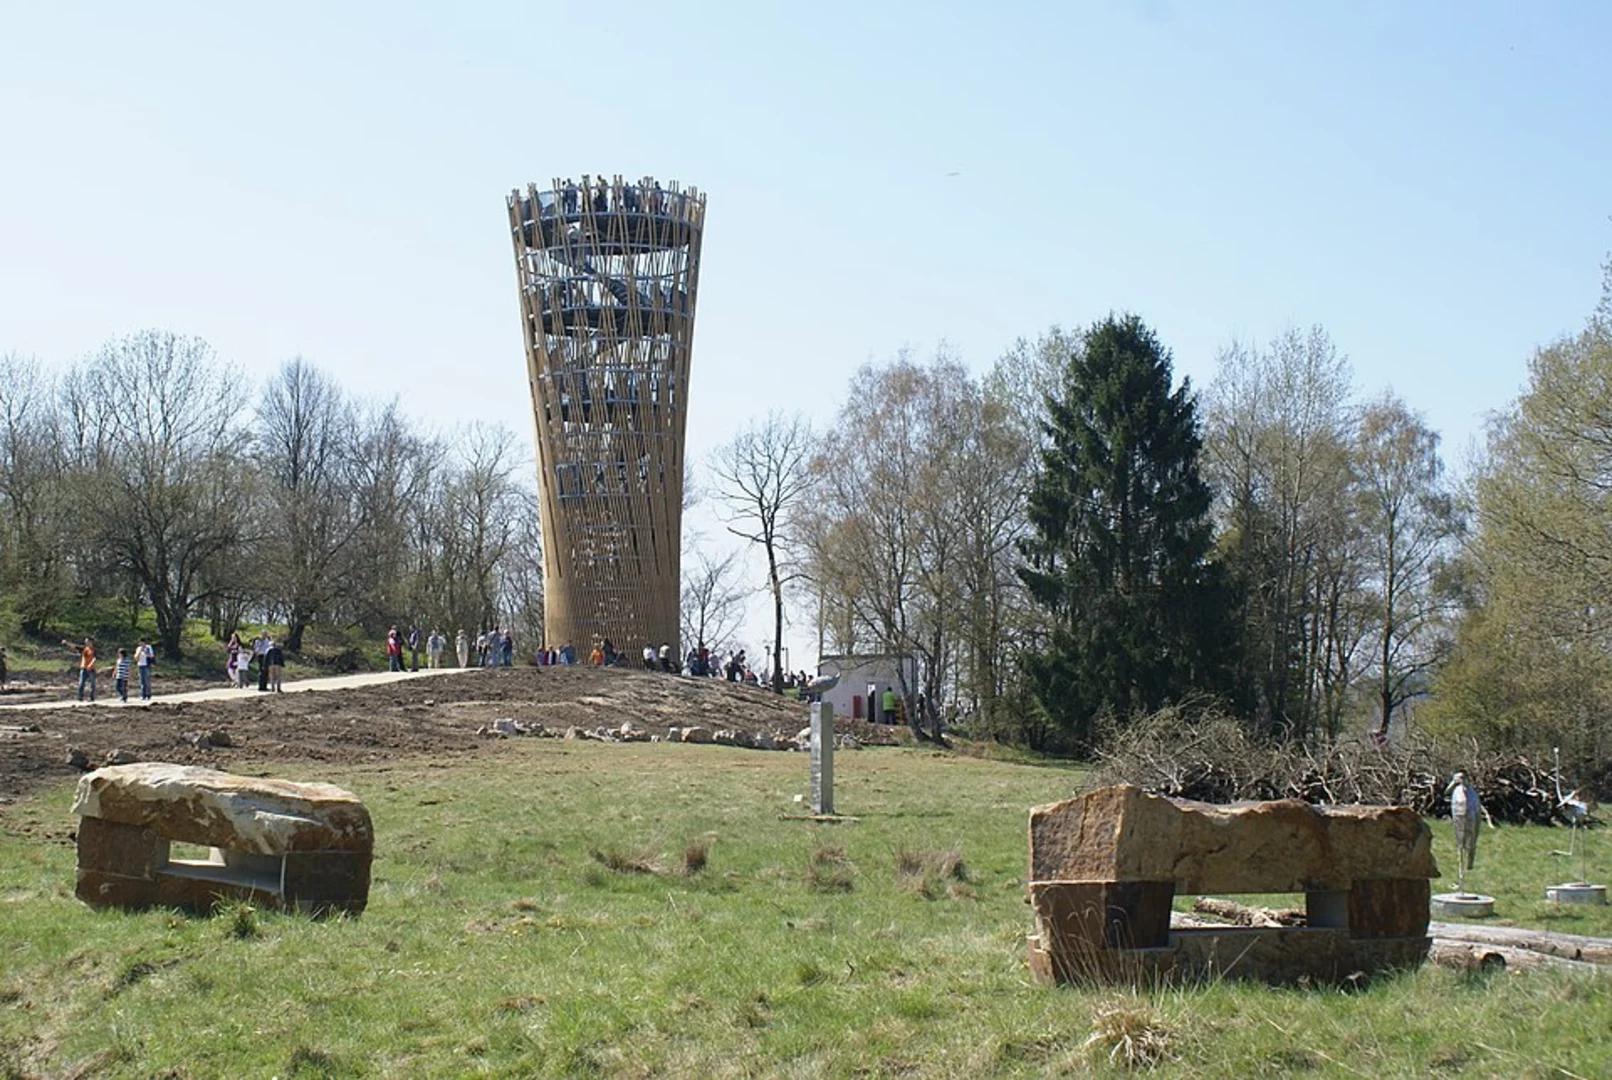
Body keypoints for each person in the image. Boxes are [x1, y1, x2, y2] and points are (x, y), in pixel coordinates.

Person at [63, 636, 95, 701]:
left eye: (87, 641)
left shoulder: (94, 650)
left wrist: (90, 665)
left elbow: (94, 658)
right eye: (85, 641)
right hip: (83, 668)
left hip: (91, 669)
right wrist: (67, 643)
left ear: (91, 642)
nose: (86, 642)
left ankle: (92, 697)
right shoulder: (84, 648)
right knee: (81, 683)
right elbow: (75, 646)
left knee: (92, 684)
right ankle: (80, 697)